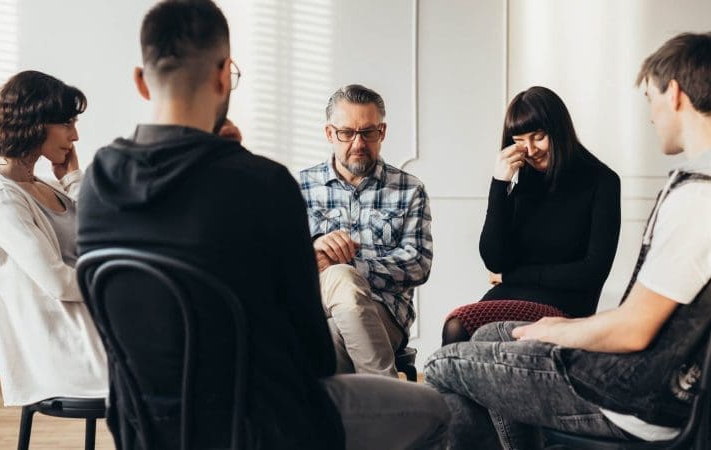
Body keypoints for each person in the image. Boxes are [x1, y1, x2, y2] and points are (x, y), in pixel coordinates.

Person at [77, 1, 448, 449]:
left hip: (146, 424)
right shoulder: (264, 184)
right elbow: (310, 352)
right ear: (223, 75)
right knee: (439, 411)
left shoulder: (98, 182)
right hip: (261, 422)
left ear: (140, 80)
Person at [425, 31, 711, 449]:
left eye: (650, 99)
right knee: (485, 337)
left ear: (674, 93)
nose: (651, 116)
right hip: (659, 385)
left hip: (629, 397)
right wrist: (557, 328)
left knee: (443, 364)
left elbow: (634, 331)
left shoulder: (705, 197)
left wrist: (560, 331)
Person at [0, 70, 107, 407]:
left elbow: (102, 234)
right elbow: (58, 283)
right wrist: (117, 284)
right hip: (68, 352)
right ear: (36, 122)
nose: (74, 136)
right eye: (67, 124)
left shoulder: (43, 184)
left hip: (96, 331)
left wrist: (74, 179)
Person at [441, 86, 621, 345]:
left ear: (559, 130)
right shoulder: (526, 179)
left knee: (460, 327)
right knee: (459, 327)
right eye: (519, 141)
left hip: (566, 303)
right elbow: (494, 259)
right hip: (511, 294)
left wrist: (513, 277)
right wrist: (499, 183)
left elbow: (592, 272)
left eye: (538, 137)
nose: (531, 149)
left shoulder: (602, 181)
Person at [300, 84, 433, 377]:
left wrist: (349, 266)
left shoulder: (409, 189)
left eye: (368, 132)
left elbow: (418, 264)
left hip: (384, 310)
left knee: (332, 343)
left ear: (382, 132)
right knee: (336, 285)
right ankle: (391, 404)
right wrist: (314, 251)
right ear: (329, 133)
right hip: (314, 306)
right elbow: (279, 262)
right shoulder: (301, 187)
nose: (358, 143)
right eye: (347, 133)